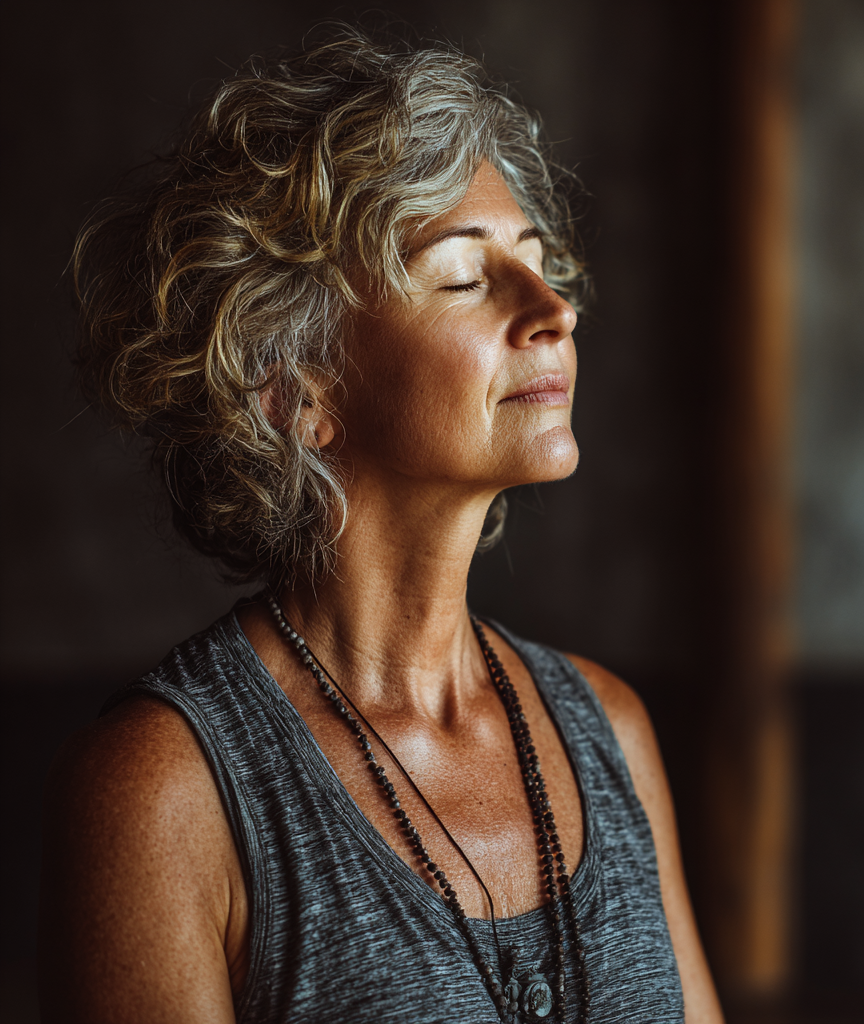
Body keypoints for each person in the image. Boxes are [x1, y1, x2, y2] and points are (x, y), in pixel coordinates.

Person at [39, 28, 724, 1024]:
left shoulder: (607, 731)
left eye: (539, 266)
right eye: (463, 277)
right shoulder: (163, 791)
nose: (553, 313)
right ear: (296, 389)